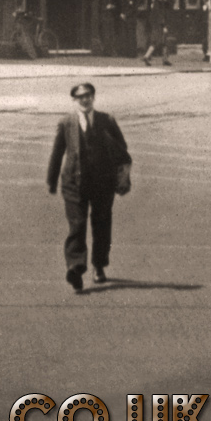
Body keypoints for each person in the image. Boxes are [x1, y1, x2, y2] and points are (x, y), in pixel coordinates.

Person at [46, 82, 131, 291]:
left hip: (103, 183)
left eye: (88, 96)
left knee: (102, 225)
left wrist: (121, 174)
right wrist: (52, 180)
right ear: (74, 100)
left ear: (93, 98)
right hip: (74, 183)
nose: (85, 100)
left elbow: (122, 149)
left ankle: (99, 265)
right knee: (77, 225)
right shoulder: (66, 122)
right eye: (80, 97)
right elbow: (57, 153)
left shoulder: (106, 120)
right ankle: (75, 267)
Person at [141, 0, 173, 66]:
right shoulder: (158, 4)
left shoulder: (156, 3)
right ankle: (147, 56)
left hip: (155, 25)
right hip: (159, 26)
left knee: (163, 42)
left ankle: (164, 59)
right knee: (157, 42)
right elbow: (160, 16)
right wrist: (164, 26)